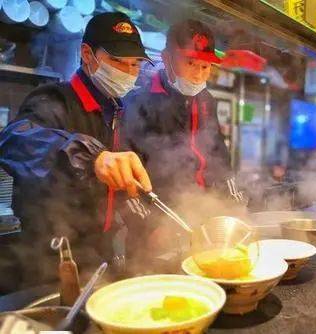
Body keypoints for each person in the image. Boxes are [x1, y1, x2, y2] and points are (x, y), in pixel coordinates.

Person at [0, 12, 154, 292]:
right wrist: (92, 157)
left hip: (100, 252)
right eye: (119, 61)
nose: (129, 72)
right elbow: (13, 140)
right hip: (53, 259)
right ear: (87, 54)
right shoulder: (54, 99)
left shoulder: (117, 111)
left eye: (136, 65)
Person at [125, 19, 243, 213]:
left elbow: (220, 157)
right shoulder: (139, 103)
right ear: (166, 58)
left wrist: (235, 207)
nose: (198, 75)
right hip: (161, 218)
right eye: (190, 63)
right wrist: (150, 228)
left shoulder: (206, 101)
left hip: (203, 209)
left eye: (205, 67)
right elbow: (130, 179)